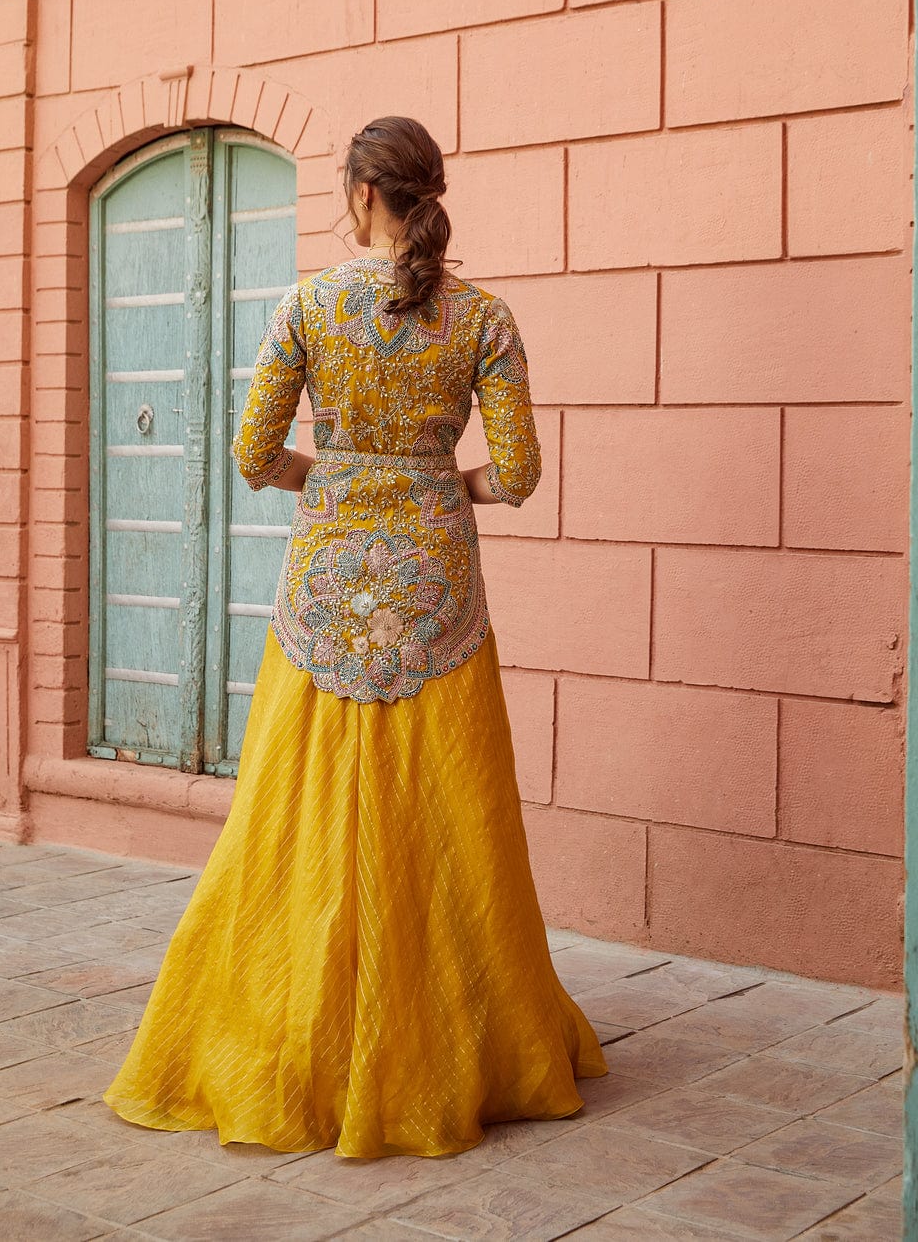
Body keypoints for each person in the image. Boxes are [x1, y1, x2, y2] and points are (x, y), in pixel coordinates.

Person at [102, 114, 607, 1158]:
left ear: (357, 193)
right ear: (426, 193)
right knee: (448, 812)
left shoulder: (308, 304)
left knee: (296, 812)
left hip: (326, 588)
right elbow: (514, 475)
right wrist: (435, 482)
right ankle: (466, 1036)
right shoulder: (484, 318)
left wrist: (332, 475)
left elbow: (252, 455)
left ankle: (291, 1040)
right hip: (436, 595)